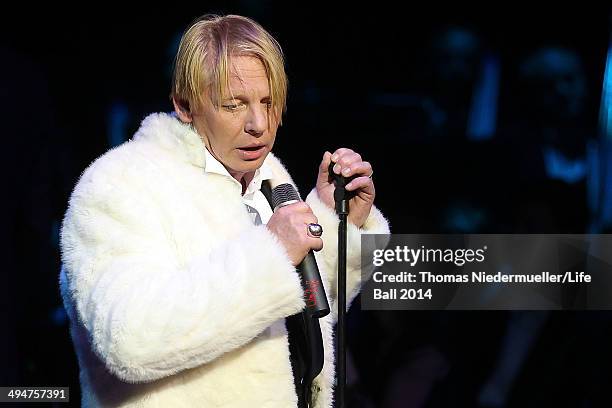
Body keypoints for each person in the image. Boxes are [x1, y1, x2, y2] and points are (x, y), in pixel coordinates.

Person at [59, 14, 389, 407]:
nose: (259, 124)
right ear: (184, 105)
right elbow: (130, 339)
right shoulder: (120, 184)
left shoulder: (267, 178)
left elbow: (298, 321)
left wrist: (337, 223)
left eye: (269, 102)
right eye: (234, 105)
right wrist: (273, 252)